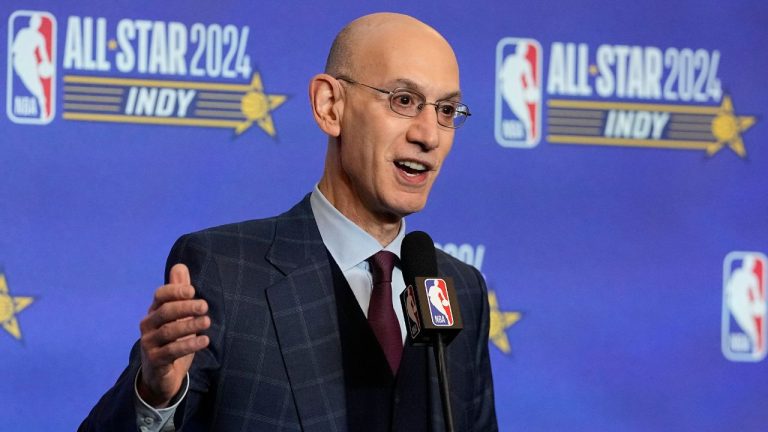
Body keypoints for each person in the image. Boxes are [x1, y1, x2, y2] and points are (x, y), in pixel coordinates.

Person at [80, 12, 497, 432]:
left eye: (446, 109)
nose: (429, 135)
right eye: (403, 100)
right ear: (330, 106)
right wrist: (155, 396)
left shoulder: (460, 288)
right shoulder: (226, 272)